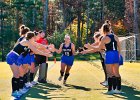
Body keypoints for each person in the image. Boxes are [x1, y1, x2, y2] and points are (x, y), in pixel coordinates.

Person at [6, 31, 53, 98]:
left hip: (16, 57)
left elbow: (38, 45)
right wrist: (46, 54)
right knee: (16, 75)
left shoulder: (29, 42)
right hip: (12, 56)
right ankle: (14, 92)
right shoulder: (26, 42)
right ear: (31, 38)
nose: (34, 39)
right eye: (34, 37)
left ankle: (18, 90)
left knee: (19, 74)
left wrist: (47, 47)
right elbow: (36, 51)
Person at [81, 23, 123, 94]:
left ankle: (110, 90)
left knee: (109, 73)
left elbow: (98, 48)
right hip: (116, 54)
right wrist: (118, 54)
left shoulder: (104, 38)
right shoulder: (115, 36)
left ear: (103, 30)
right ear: (109, 29)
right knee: (116, 73)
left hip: (109, 54)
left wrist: (89, 46)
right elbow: (119, 47)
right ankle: (118, 89)